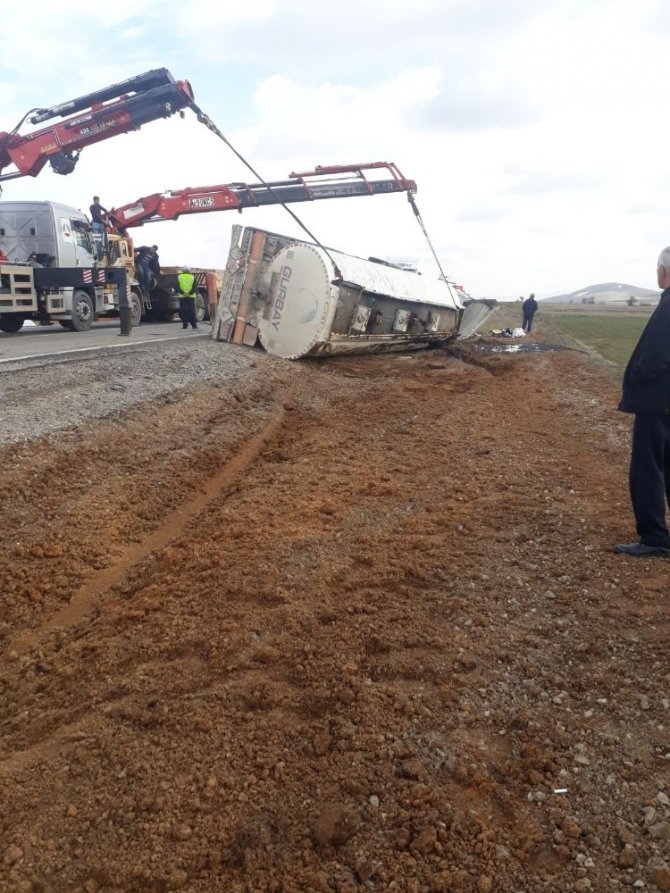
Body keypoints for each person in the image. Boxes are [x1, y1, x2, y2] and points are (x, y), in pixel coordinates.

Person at [614, 246, 670, 557]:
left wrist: (635, 380)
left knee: (647, 470)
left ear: (663, 271)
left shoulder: (669, 305)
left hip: (658, 403)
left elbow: (656, 355)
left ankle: (654, 537)